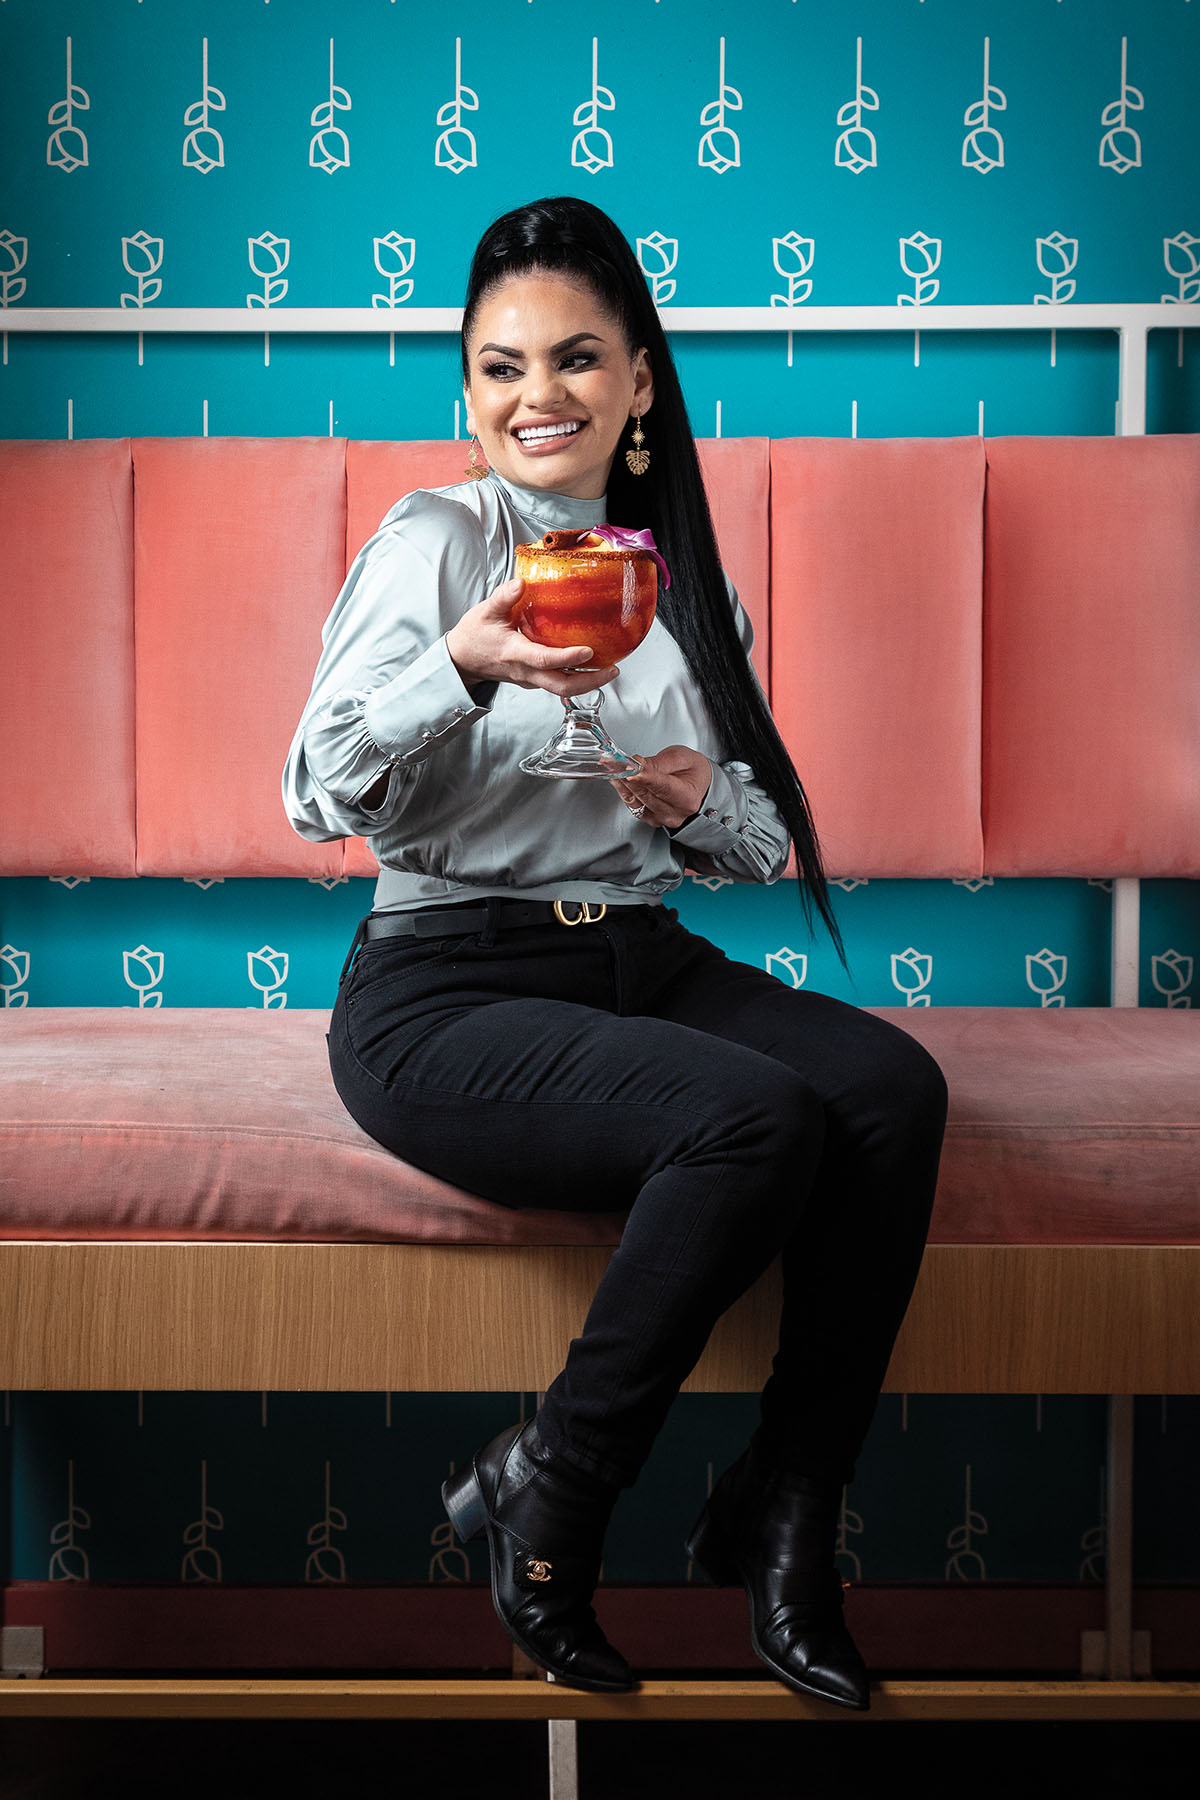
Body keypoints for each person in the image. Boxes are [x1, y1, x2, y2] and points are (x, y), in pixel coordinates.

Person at [283, 195, 948, 1711]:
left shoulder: (677, 581)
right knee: (752, 1117)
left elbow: (759, 841)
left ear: (640, 381)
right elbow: (313, 791)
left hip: (637, 959)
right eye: (501, 367)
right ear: (467, 391)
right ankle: (555, 1494)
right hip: (444, 987)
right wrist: (457, 665)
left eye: (578, 359)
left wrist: (695, 799)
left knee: (890, 1092)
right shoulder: (437, 542)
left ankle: (783, 1510)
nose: (540, 398)